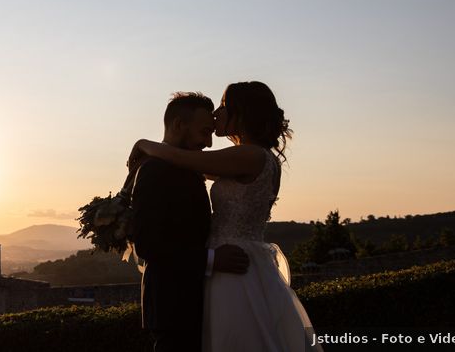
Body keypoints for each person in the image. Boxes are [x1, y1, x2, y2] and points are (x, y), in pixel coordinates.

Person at [129, 81, 322, 351]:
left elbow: (186, 159)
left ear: (242, 114)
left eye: (223, 107)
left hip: (233, 266)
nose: (217, 114)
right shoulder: (254, 159)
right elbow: (187, 164)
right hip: (233, 265)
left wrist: (143, 144)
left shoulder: (250, 155)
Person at [130, 92, 250, 352]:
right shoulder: (154, 170)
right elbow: (148, 244)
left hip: (196, 301)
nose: (208, 143)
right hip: (172, 305)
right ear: (178, 125)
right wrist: (211, 259)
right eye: (204, 132)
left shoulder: (187, 166)